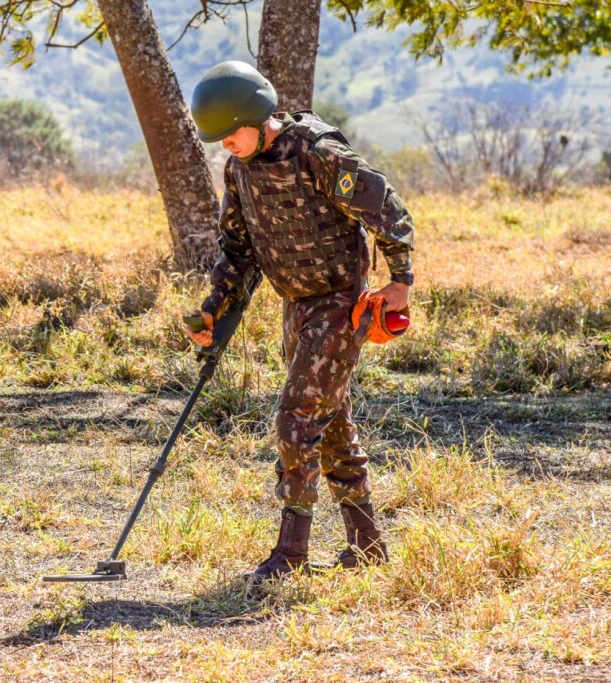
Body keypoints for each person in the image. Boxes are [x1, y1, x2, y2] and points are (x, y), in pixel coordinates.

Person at [186, 61, 415, 586]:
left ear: (257, 114)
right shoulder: (239, 168)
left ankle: (291, 554)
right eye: (217, 139)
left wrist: (399, 280)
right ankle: (368, 545)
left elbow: (390, 210)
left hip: (340, 301)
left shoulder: (317, 152)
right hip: (298, 305)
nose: (226, 144)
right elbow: (237, 250)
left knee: (296, 416)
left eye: (231, 133)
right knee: (327, 422)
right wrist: (213, 308)